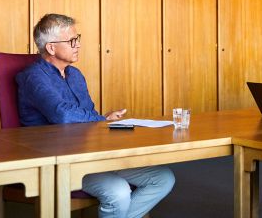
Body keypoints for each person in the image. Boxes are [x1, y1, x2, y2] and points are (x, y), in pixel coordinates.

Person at [17, 13, 175, 218]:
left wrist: (105, 119)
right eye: (72, 41)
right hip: (57, 161)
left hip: (89, 153)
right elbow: (63, 116)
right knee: (119, 192)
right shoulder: (33, 77)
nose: (78, 45)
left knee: (163, 178)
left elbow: (87, 115)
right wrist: (101, 119)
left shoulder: (75, 75)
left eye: (78, 39)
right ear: (51, 47)